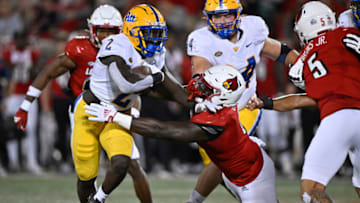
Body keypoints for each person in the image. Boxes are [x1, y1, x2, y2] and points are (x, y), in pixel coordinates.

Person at [12, 5, 152, 203]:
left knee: (132, 165)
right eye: (101, 30)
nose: (105, 36)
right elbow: (48, 72)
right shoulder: (79, 49)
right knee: (86, 175)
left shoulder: (127, 49)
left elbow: (135, 87)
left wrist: (133, 114)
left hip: (114, 112)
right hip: (83, 114)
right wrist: (26, 105)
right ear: (91, 30)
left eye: (110, 31)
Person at [85, 64, 278, 203]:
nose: (199, 86)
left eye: (206, 86)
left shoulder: (217, 122)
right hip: (236, 161)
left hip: (252, 178)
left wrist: (116, 117)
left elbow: (163, 130)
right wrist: (158, 70)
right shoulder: (215, 103)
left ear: (221, 96)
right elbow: (176, 92)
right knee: (217, 164)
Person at [72, 4, 194, 203]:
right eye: (149, 33)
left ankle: (99, 199)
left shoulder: (155, 55)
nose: (155, 39)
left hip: (117, 115)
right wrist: (156, 78)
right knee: (86, 176)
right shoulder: (115, 44)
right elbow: (126, 83)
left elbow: (175, 91)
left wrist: (202, 102)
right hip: (90, 113)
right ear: (132, 32)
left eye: (158, 33)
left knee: (122, 163)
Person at [185, 0, 299, 201]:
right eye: (217, 17)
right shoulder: (201, 38)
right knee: (218, 165)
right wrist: (200, 84)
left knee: (227, 159)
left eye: (227, 15)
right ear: (208, 18)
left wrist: (303, 65)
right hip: (214, 109)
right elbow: (199, 68)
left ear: (238, 14)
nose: (222, 21)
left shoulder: (253, 27)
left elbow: (279, 51)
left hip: (246, 106)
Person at [248, 1, 360, 202]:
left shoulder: (302, 61)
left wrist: (266, 103)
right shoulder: (348, 34)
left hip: (337, 118)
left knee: (311, 191)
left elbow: (303, 100)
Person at [2, 31, 43, 174]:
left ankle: (31, 162)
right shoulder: (8, 53)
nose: (20, 42)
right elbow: (7, 73)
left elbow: (37, 72)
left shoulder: (32, 53)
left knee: (30, 129)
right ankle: (13, 161)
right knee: (9, 128)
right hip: (13, 95)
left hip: (29, 94)